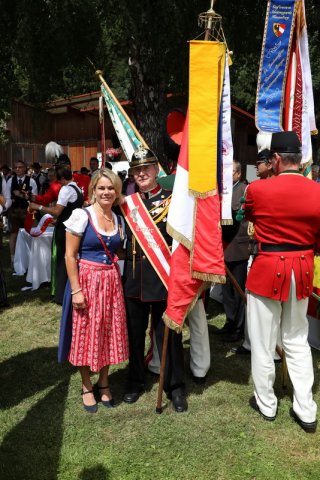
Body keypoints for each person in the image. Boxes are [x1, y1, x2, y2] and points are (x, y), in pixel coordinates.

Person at [244, 131, 320, 433]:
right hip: (301, 268)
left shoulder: (258, 189)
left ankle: (267, 403)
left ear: (275, 159)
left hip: (267, 267)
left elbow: (248, 216)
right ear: (299, 159)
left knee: (263, 341)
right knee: (297, 339)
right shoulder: (317, 191)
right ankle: (306, 408)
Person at [122, 148, 187, 412]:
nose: (141, 173)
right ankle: (135, 381)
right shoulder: (127, 204)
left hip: (163, 278)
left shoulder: (173, 201)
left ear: (156, 169)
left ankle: (176, 387)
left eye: (146, 168)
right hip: (135, 280)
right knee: (134, 336)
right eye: (137, 170)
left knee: (169, 337)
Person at [59, 169, 128, 413]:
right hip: (87, 280)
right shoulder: (82, 215)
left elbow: (118, 252)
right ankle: (87, 385)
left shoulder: (118, 219)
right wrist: (76, 290)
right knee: (85, 334)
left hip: (111, 282)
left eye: (111, 188)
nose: (106, 192)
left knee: (109, 331)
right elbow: (69, 255)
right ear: (93, 191)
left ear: (117, 191)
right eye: (101, 188)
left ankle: (105, 382)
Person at [29, 166, 84, 304]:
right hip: (74, 227)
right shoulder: (77, 188)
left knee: (61, 260)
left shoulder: (66, 189)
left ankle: (60, 295)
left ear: (62, 179)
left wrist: (38, 207)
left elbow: (57, 210)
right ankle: (70, 292)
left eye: (58, 181)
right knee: (71, 259)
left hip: (64, 229)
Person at [216, 160, 250, 342]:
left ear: (238, 174)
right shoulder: (223, 192)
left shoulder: (245, 190)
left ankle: (238, 328)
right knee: (226, 290)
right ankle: (229, 322)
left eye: (228, 172)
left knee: (238, 291)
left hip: (238, 248)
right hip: (223, 248)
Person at [7, 160, 38, 262]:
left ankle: (30, 257)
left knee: (29, 234)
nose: (17, 169)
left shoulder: (31, 181)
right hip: (14, 211)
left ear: (25, 168)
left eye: (20, 167)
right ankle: (13, 259)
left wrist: (21, 195)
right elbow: (7, 197)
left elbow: (34, 197)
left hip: (27, 211)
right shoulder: (10, 180)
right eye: (15, 167)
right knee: (14, 234)